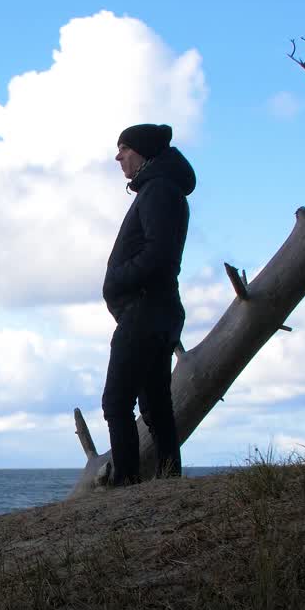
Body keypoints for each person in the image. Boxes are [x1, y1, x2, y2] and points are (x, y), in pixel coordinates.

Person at [100, 123, 195, 486]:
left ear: (142, 152)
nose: (118, 157)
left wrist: (118, 278)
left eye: (124, 149)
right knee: (155, 403)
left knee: (116, 401)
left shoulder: (159, 191)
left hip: (146, 309)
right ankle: (169, 478)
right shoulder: (160, 189)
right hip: (157, 310)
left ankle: (126, 483)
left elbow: (160, 254)